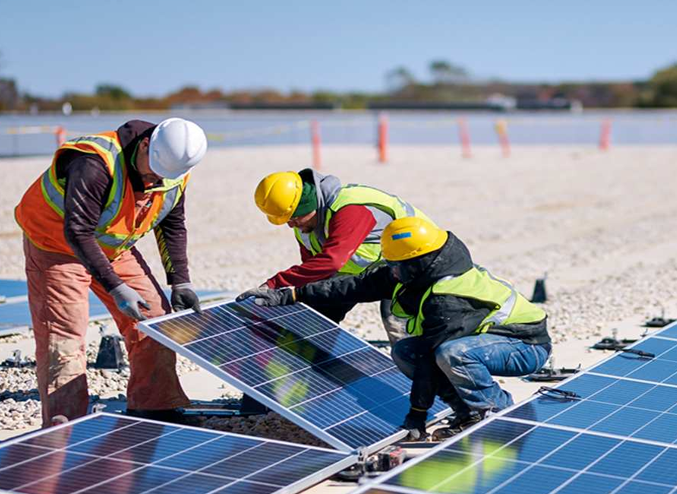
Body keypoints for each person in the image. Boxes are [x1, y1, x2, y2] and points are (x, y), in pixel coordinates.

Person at [237, 217, 551, 440]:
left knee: (450, 353)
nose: (392, 272)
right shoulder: (414, 269)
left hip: (525, 344)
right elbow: (353, 286)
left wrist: (417, 414)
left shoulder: (447, 297)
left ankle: (494, 412)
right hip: (486, 342)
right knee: (404, 351)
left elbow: (432, 359)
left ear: (417, 262)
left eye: (396, 266)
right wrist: (289, 294)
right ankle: (466, 411)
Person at [15, 117, 207, 426]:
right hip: (56, 245)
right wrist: (115, 287)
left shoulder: (173, 170)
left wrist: (180, 281)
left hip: (110, 247)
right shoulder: (94, 163)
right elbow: (77, 232)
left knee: (155, 319)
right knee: (64, 339)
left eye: (164, 175)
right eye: (153, 168)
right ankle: (65, 428)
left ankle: (154, 409)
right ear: (146, 144)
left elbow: (172, 223)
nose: (155, 179)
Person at [241, 168, 434, 345]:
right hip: (372, 268)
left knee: (398, 320)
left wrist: (274, 284)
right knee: (320, 309)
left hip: (417, 260)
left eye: (292, 218)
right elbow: (314, 271)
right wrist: (292, 297)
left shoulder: (350, 210)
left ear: (308, 207)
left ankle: (420, 366)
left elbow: (332, 261)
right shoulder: (304, 226)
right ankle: (317, 358)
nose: (290, 225)